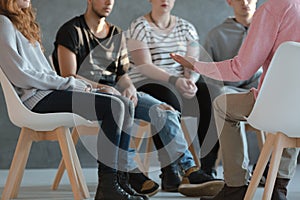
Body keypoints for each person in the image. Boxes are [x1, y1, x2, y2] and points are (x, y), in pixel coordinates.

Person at [52, 0, 224, 198]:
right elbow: (68, 76)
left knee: (163, 110)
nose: (109, 2)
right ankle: (131, 173)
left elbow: (122, 75)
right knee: (122, 106)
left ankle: (189, 170)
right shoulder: (71, 31)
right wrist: (105, 88)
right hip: (84, 94)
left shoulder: (115, 32)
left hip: (115, 93)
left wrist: (130, 88)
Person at [0, 0, 146, 200]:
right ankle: (108, 186)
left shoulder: (21, 23)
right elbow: (20, 75)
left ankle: (121, 181)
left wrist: (73, 85)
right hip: (35, 99)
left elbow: (44, 72)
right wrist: (70, 84)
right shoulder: (3, 23)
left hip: (47, 93)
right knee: (112, 106)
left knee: (125, 103)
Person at [171, 0, 300, 199]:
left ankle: (236, 185)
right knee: (293, 112)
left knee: (223, 105)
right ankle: (278, 188)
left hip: (273, 105)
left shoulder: (273, 9)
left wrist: (197, 65)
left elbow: (241, 69)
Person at [126, 0, 222, 196]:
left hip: (179, 83)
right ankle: (169, 171)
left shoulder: (186, 28)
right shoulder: (139, 26)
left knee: (213, 95)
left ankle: (206, 168)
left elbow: (192, 63)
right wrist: (175, 80)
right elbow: (144, 65)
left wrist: (191, 81)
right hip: (147, 84)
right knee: (166, 95)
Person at [198, 0, 263, 179]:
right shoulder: (216, 35)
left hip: (262, 89)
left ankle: (268, 168)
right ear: (229, 2)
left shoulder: (268, 30)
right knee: (220, 100)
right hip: (228, 89)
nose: (245, 3)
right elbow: (210, 74)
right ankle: (235, 173)